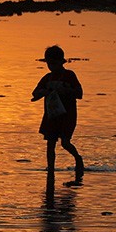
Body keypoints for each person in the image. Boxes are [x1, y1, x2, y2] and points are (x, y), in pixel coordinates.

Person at [31, 45, 84, 184]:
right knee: (50, 144)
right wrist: (44, 92)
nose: (51, 66)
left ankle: (78, 158)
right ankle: (51, 170)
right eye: (49, 63)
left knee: (65, 143)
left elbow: (80, 93)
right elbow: (34, 93)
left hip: (67, 116)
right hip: (51, 116)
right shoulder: (47, 78)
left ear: (61, 62)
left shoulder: (69, 75)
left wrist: (67, 90)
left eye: (54, 63)